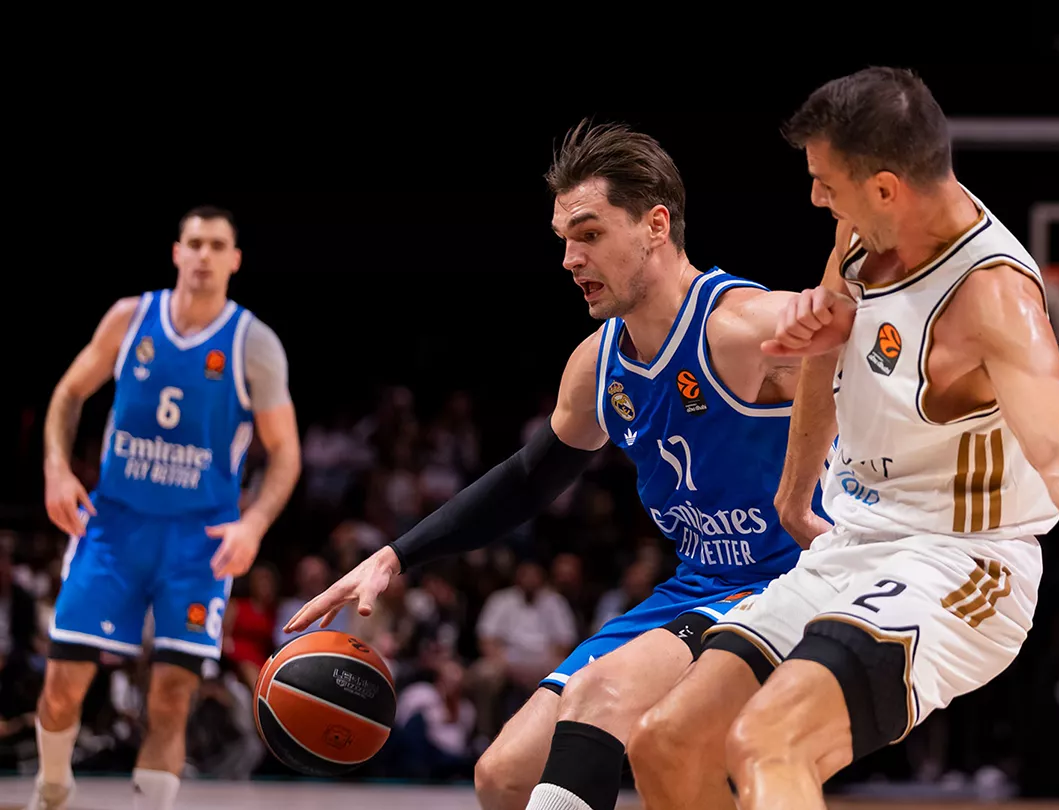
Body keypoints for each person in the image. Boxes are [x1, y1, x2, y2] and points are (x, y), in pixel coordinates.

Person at [627, 66, 1059, 810]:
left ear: (885, 187)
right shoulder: (859, 237)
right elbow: (824, 346)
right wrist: (793, 494)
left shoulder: (992, 299)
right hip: (856, 540)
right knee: (666, 742)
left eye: (825, 183)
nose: (815, 198)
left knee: (769, 739)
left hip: (962, 560)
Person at [283, 120, 825, 810]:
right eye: (564, 239)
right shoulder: (598, 367)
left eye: (589, 234)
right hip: (700, 587)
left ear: (656, 225)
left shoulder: (749, 328)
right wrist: (395, 557)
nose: (570, 259)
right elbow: (526, 480)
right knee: (504, 775)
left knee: (606, 698)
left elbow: (888, 359)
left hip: (794, 581)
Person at [33, 205, 300, 810]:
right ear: (177, 252)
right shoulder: (130, 318)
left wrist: (255, 523)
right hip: (113, 529)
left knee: (172, 697)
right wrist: (56, 468)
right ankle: (51, 790)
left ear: (235, 260)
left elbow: (286, 452)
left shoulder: (253, 343)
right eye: (195, 243)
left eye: (217, 245)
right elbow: (69, 392)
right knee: (62, 688)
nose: (204, 255)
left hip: (198, 543)